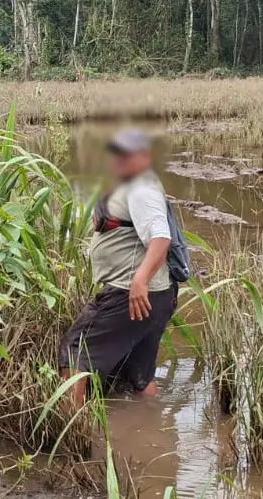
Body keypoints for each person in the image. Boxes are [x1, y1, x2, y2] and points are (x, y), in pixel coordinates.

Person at [59, 127, 177, 400]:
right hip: (155, 296)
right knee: (139, 375)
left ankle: (72, 421)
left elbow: (161, 238)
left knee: (75, 350)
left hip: (131, 294)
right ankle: (152, 422)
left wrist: (139, 281)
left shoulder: (140, 187)